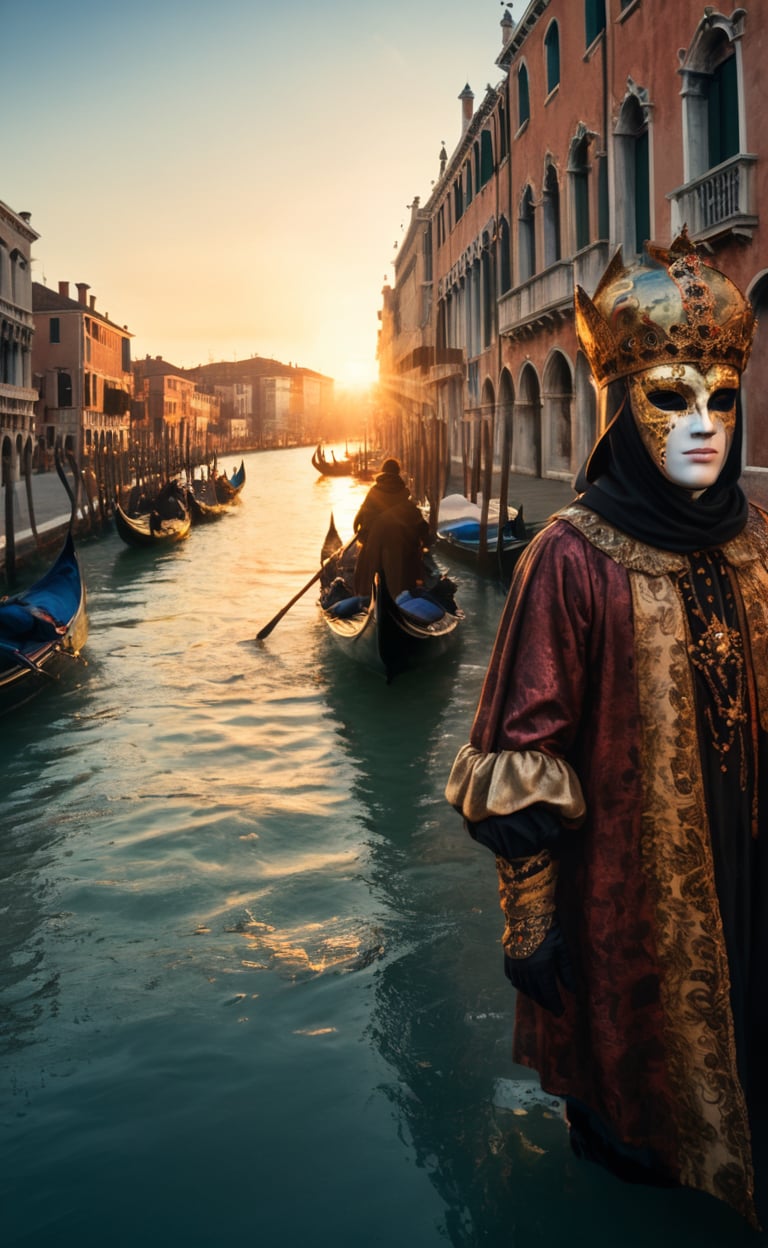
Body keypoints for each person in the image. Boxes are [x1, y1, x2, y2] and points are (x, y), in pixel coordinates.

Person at [445, 231, 768, 1228]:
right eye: (671, 397)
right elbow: (522, 749)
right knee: (643, 1098)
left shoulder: (756, 536)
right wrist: (531, 922)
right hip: (630, 889)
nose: (702, 424)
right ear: (622, 408)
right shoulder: (568, 558)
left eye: (721, 397)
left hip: (752, 860)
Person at [353, 457, 429, 598]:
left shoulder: (373, 493)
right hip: (401, 550)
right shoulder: (404, 495)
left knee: (364, 561)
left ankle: (365, 595)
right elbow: (422, 529)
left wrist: (363, 536)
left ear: (383, 472)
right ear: (398, 473)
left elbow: (357, 522)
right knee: (412, 560)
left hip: (374, 549)